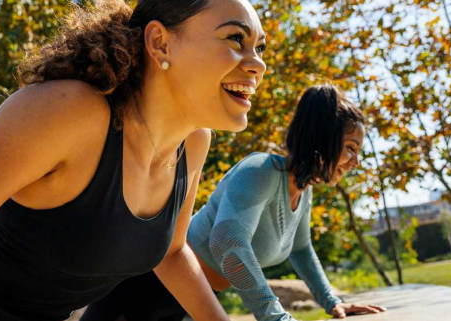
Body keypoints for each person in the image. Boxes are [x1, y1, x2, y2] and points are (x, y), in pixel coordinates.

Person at [0, 0, 267, 320]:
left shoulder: (193, 143)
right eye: (236, 39)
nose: (258, 64)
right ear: (159, 42)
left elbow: (172, 253)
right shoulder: (70, 112)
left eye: (259, 48)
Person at [82, 84, 387, 321]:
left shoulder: (302, 190)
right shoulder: (262, 170)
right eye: (349, 148)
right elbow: (228, 242)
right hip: (143, 287)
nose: (355, 161)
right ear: (324, 138)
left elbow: (301, 250)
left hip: (183, 298)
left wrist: (333, 302)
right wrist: (274, 315)